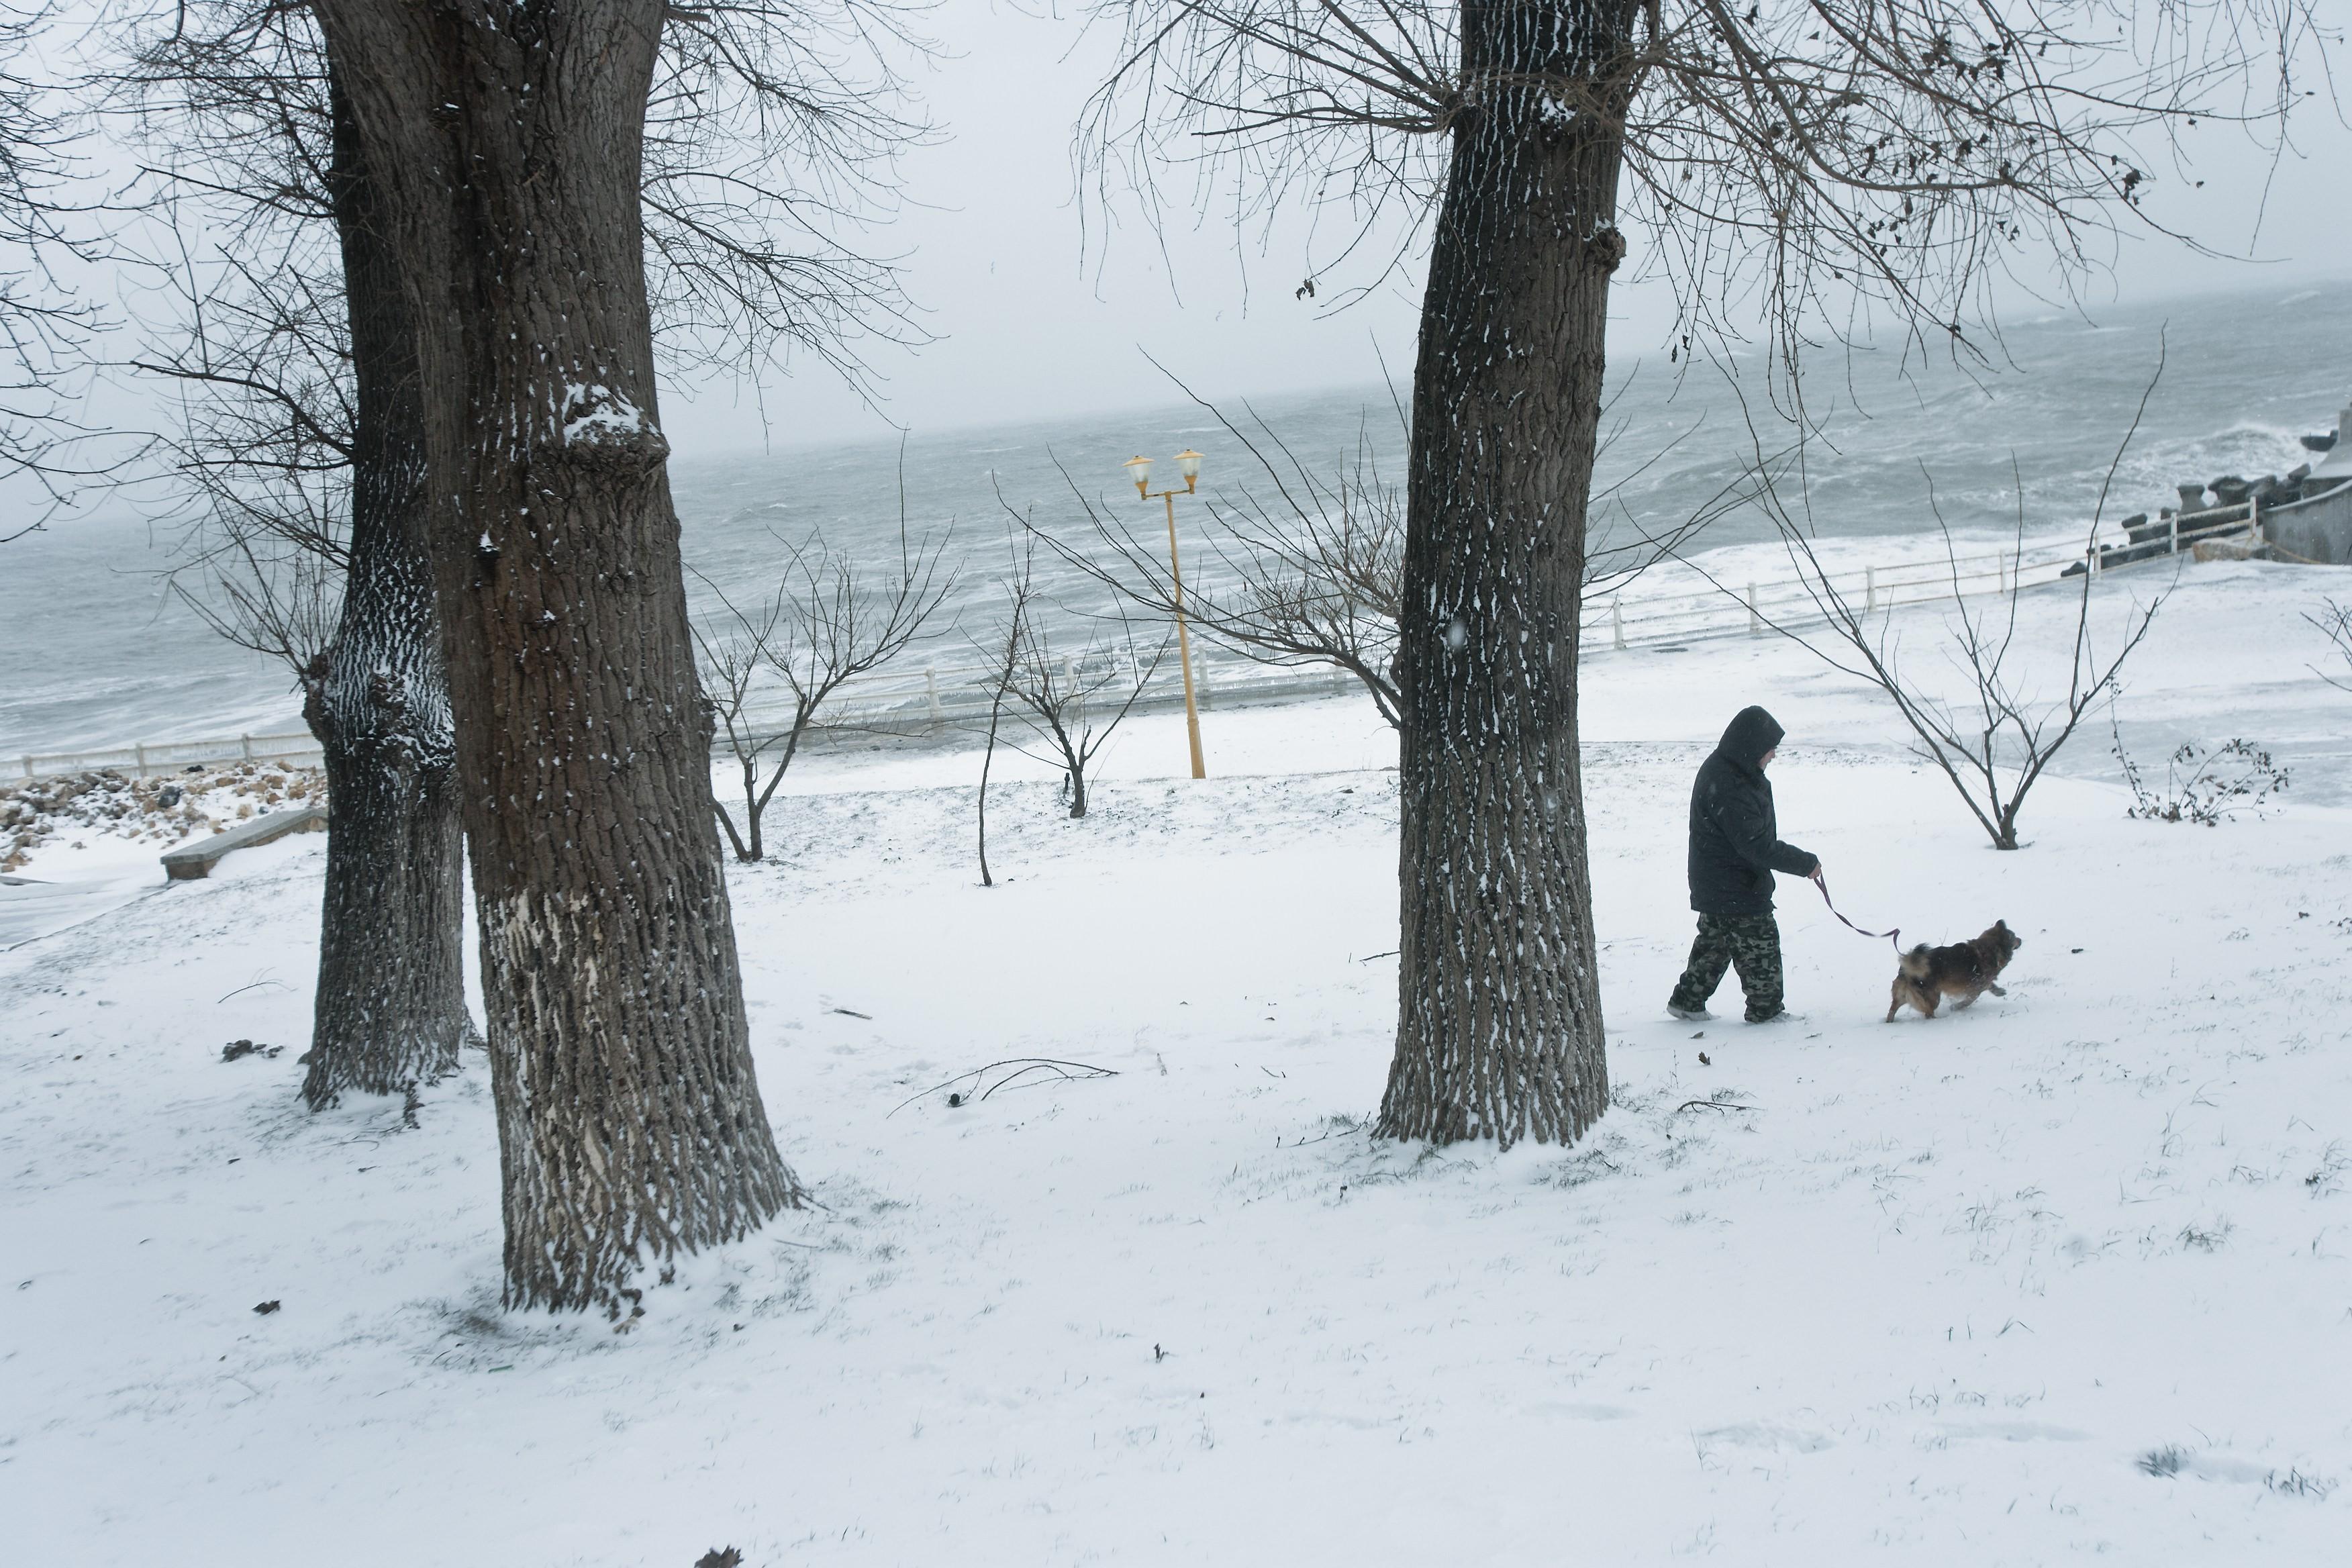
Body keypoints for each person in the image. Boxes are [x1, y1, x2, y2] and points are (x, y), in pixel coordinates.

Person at [1667, 705, 1821, 1025]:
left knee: (1716, 942)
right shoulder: (1729, 783)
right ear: (1752, 748)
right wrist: (1804, 863)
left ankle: (1687, 1002)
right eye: (1770, 750)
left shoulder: (1733, 771)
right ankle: (1766, 1012)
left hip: (1719, 881)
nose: (1773, 756)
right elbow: (1756, 846)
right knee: (1760, 943)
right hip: (1735, 884)